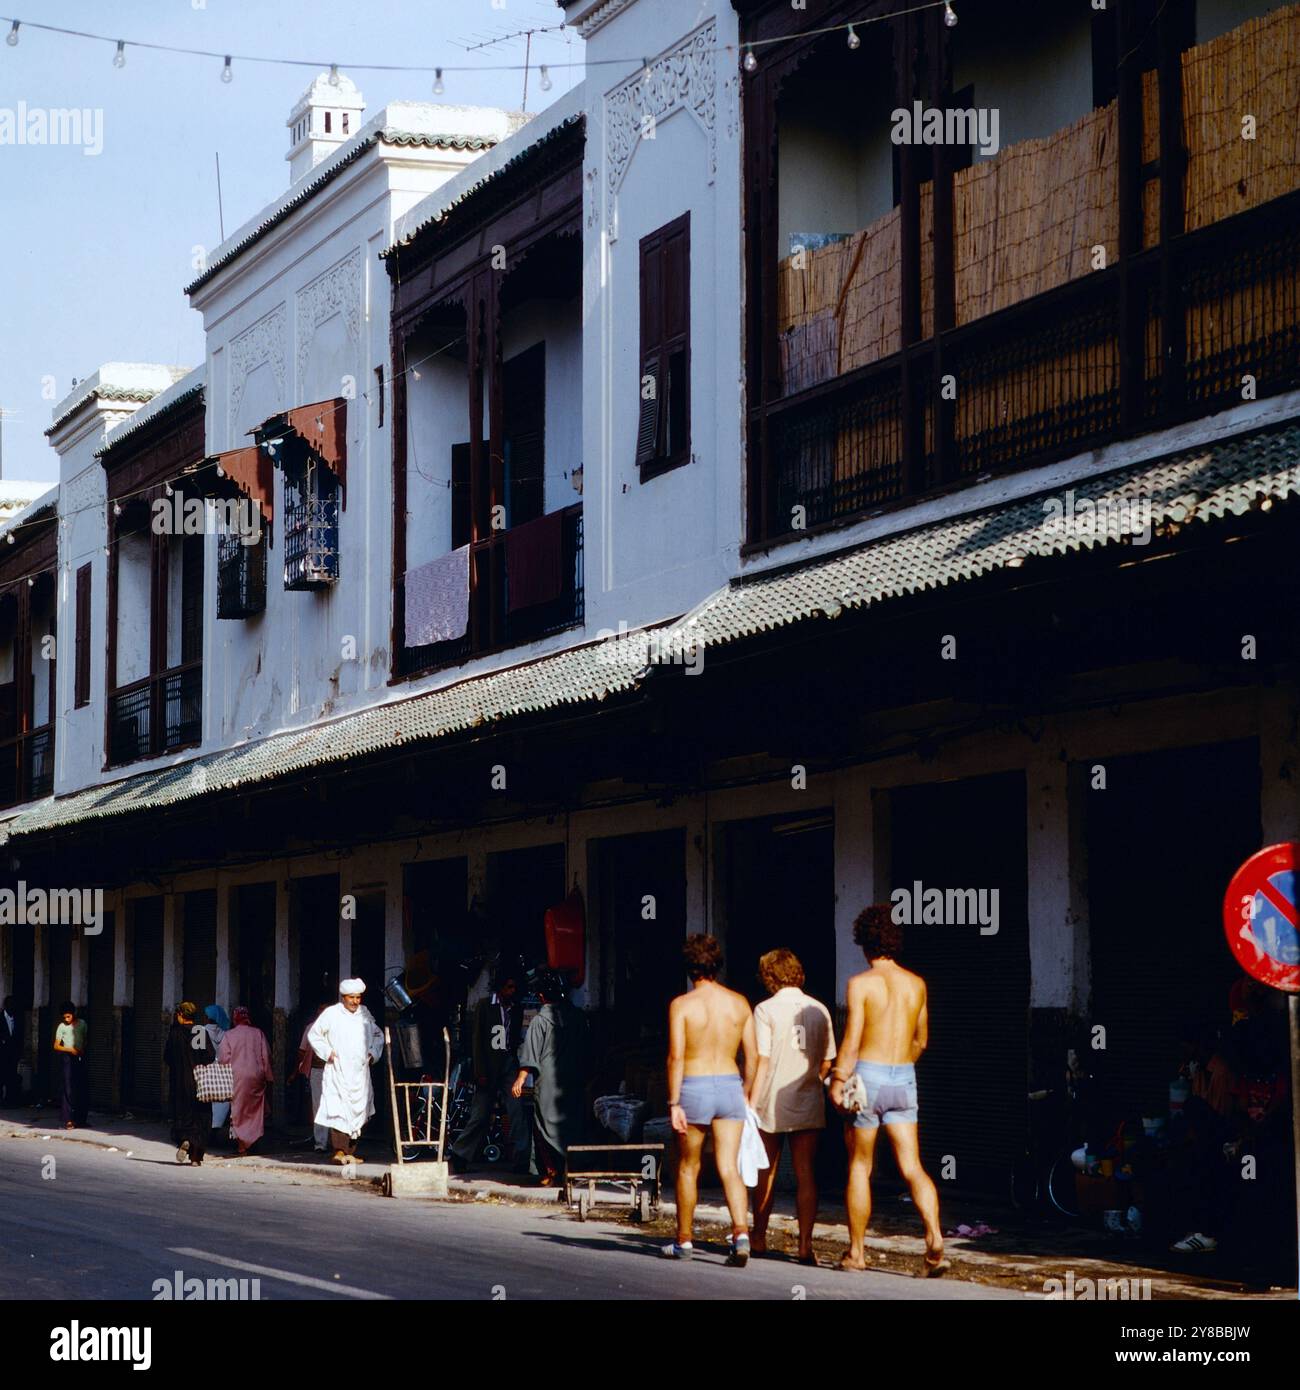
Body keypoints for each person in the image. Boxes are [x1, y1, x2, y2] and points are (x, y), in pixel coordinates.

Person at [832, 905, 946, 1275]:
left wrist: (837, 1079)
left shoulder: (860, 984)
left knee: (861, 1166)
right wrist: (901, 1066)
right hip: (904, 1076)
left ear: (864, 943)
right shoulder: (917, 984)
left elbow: (851, 1042)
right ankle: (934, 1237)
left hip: (868, 1075)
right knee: (912, 1165)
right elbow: (921, 1041)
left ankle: (857, 1254)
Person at [664, 934, 756, 1266]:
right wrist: (747, 1091)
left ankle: (684, 1241)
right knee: (730, 1166)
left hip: (694, 1085)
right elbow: (754, 1055)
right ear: (717, 964)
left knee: (689, 1167)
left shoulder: (682, 1005)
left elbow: (676, 1057)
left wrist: (674, 1103)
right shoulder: (740, 1002)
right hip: (730, 1083)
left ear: (689, 968)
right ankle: (741, 1234)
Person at [747, 949, 835, 1264]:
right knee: (806, 1173)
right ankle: (805, 1246)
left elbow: (762, 1060)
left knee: (765, 1171)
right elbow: (827, 1060)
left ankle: (758, 1236)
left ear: (769, 976)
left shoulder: (764, 1010)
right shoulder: (820, 1009)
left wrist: (750, 1101)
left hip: (771, 1098)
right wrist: (813, 1079)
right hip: (808, 1098)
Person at [511, 971, 590, 1185]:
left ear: (541, 996)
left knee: (543, 1125)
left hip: (548, 1083)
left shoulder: (540, 1021)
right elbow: (588, 1051)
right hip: (573, 1080)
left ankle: (553, 1171)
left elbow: (531, 1054)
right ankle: (568, 1170)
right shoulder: (578, 1017)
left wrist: (520, 1078)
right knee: (571, 1125)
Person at [449, 964, 529, 1174]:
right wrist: (479, 1071)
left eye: (514, 987)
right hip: (488, 1066)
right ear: (500, 987)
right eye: (509, 987)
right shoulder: (485, 1006)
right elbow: (477, 1041)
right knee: (481, 1114)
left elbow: (513, 1038)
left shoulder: (516, 1008)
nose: (512, 991)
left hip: (508, 1065)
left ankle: (522, 1159)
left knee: (516, 1111)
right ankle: (460, 1154)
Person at [307, 978, 385, 1165]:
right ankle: (339, 1151)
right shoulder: (331, 1014)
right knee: (338, 1109)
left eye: (358, 997)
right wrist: (328, 1052)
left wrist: (372, 1053)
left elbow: (378, 1034)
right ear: (343, 997)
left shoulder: (365, 1015)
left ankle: (350, 1152)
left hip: (360, 1073)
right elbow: (314, 1034)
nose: (356, 1001)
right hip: (338, 1071)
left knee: (359, 1112)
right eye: (352, 997)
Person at [218, 1006, 274, 1157]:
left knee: (238, 1110)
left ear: (235, 1018)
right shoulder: (258, 1033)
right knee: (254, 1111)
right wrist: (268, 1076)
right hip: (256, 1076)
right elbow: (266, 1055)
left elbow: (223, 1059)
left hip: (237, 1077)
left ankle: (242, 1146)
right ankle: (253, 1140)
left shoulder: (229, 1035)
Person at [166, 1001, 216, 1167]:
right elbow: (209, 1056)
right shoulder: (198, 1032)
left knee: (182, 1115)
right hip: (199, 1082)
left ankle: (185, 1140)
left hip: (180, 1083)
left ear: (181, 1015)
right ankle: (195, 1157)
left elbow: (168, 1057)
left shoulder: (175, 1033)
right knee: (200, 1117)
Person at [290, 997, 332, 1152]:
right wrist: (296, 1072)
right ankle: (321, 1143)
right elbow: (302, 1051)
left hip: (335, 1071)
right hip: (316, 1071)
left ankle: (337, 1143)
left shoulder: (337, 1027)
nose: (322, 1013)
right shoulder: (311, 1028)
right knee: (319, 1106)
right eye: (320, 1010)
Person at [52, 1001, 88, 1130]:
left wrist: (81, 1049)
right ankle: (68, 1119)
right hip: (67, 1057)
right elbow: (56, 1045)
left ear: (74, 1014)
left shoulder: (82, 1024)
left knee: (81, 1087)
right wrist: (70, 1050)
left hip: (80, 1056)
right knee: (68, 1088)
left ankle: (81, 1119)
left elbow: (85, 1039)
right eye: (64, 1017)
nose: (66, 1019)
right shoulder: (62, 1027)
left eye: (68, 1016)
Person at [203, 1005, 232, 1140]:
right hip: (222, 1072)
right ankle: (215, 1128)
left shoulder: (201, 1032)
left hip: (205, 1071)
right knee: (220, 1102)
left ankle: (204, 1131)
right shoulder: (226, 1034)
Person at [0, 996, 21, 1107]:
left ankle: (10, 1101)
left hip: (12, 1054)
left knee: (11, 1077)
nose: (13, 1007)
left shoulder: (17, 1018)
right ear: (6, 1005)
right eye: (10, 1004)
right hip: (1, 1053)